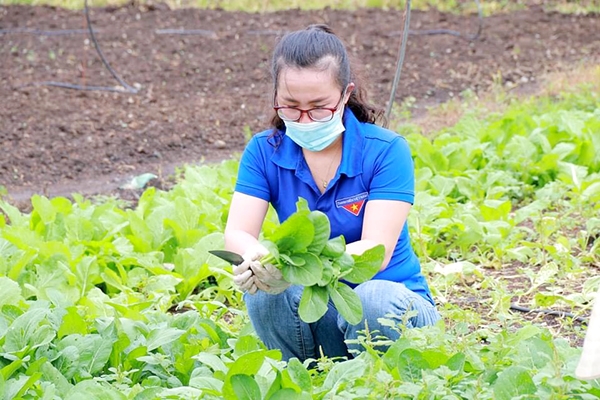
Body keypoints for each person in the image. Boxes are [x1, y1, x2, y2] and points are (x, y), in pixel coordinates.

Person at [224, 24, 439, 362]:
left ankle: (381, 381)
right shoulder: (264, 151)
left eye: (319, 106)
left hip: (394, 314)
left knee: (373, 297)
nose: (305, 119)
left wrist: (295, 268)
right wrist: (257, 260)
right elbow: (237, 232)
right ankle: (303, 378)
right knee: (265, 293)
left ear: (345, 94)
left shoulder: (386, 151)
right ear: (275, 97)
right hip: (323, 314)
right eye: (291, 106)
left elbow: (376, 252)